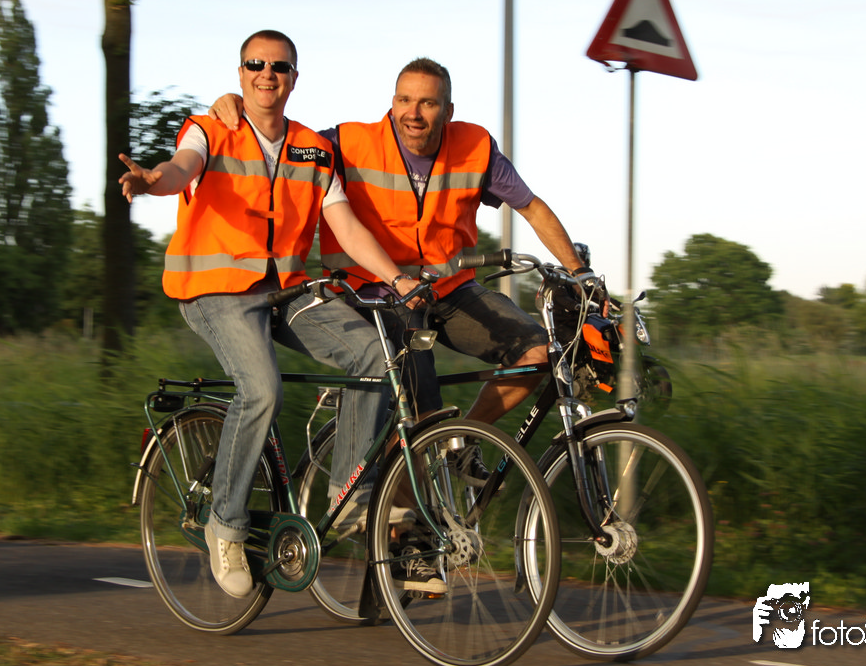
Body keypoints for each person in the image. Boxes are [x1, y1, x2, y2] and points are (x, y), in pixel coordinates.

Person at [119, 30, 424, 599]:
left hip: (283, 291)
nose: (267, 74)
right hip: (213, 292)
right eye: (256, 64)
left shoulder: (312, 149)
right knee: (262, 390)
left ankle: (347, 499)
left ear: (294, 79)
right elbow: (182, 167)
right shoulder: (210, 128)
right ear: (240, 74)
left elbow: (346, 227)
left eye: (279, 66)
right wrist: (153, 182)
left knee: (373, 357)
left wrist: (398, 278)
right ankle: (226, 524)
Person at [209, 56, 588, 426]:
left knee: (538, 353)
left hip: (450, 290)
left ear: (448, 111)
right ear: (392, 103)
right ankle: (421, 451)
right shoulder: (347, 142)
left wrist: (579, 273)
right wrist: (243, 106)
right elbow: (277, 143)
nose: (414, 113)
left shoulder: (476, 147)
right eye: (405, 100)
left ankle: (463, 441)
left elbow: (532, 208)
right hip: (375, 293)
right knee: (424, 414)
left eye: (428, 103)